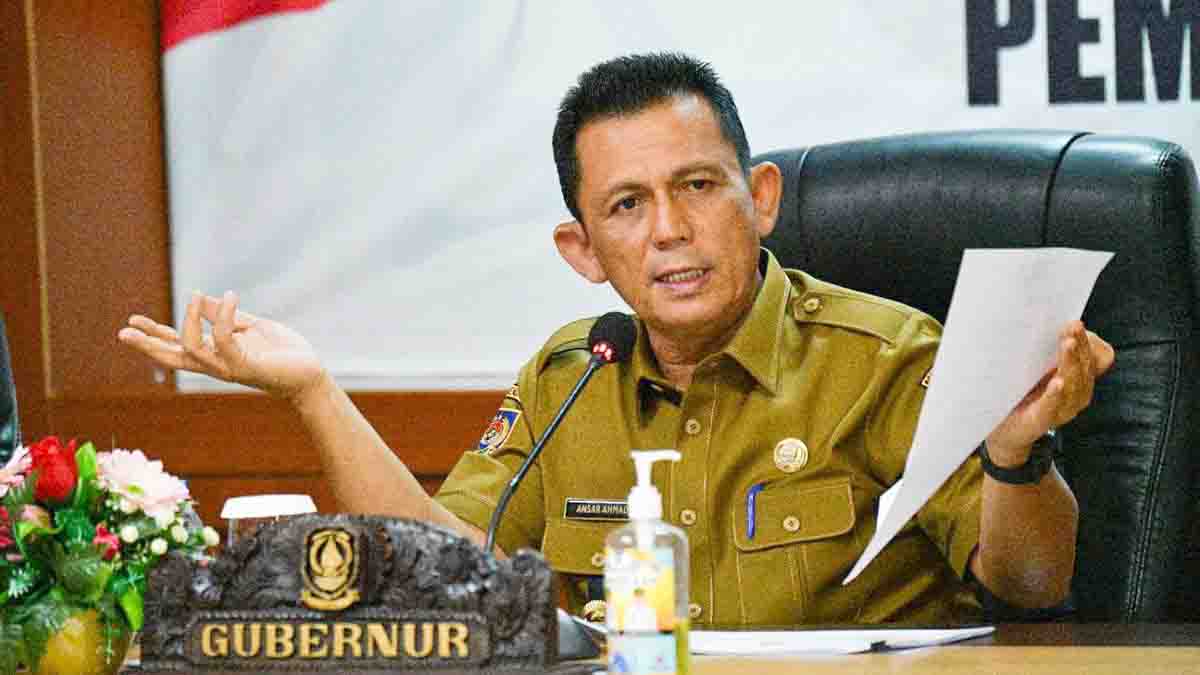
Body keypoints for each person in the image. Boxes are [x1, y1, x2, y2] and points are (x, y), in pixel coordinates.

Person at [119, 52, 1114, 626]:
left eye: (698, 186)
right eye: (627, 206)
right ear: (584, 249)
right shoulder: (571, 376)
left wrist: (1015, 457)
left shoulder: (887, 359)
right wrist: (313, 392)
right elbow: (439, 574)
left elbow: (1032, 584)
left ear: (761, 199)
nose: (670, 231)